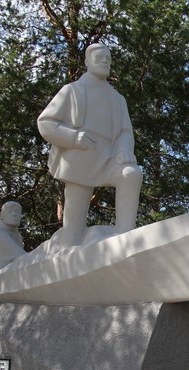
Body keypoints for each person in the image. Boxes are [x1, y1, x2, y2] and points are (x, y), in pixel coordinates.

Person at [38, 43, 143, 248]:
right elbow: (45, 123)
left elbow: (124, 132)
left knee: (131, 174)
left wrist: (123, 149)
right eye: (99, 56)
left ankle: (124, 237)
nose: (105, 60)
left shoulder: (117, 99)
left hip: (108, 158)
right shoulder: (72, 91)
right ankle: (63, 249)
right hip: (79, 159)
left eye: (108, 58)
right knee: (73, 236)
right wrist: (74, 138)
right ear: (87, 61)